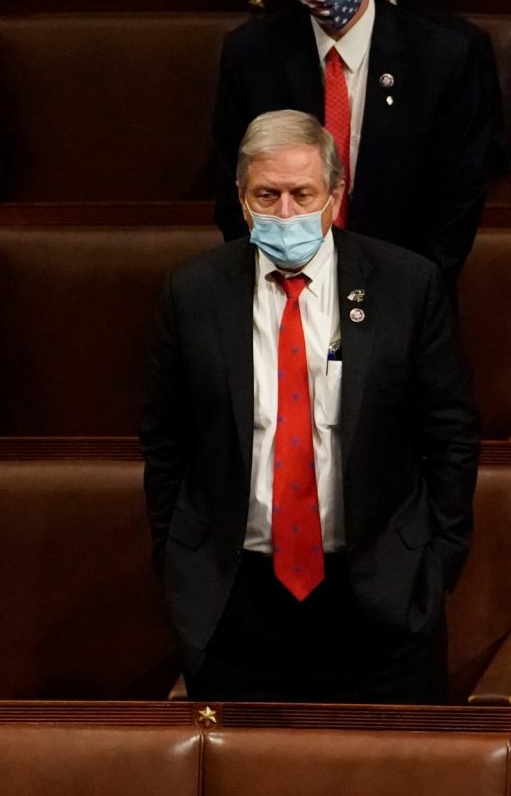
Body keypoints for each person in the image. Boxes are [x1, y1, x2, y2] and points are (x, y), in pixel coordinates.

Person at [143, 110, 480, 702]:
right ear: (242, 201)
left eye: (303, 194)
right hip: (236, 597)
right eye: (267, 196)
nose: (286, 214)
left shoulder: (406, 285)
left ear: (335, 196)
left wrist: (436, 562)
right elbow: (167, 443)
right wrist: (178, 559)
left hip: (378, 592)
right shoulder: (193, 292)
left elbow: (450, 436)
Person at [207, 0, 506, 278]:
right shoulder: (252, 54)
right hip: (284, 286)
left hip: (407, 287)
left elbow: (458, 199)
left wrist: (412, 296)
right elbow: (234, 186)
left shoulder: (447, 54)